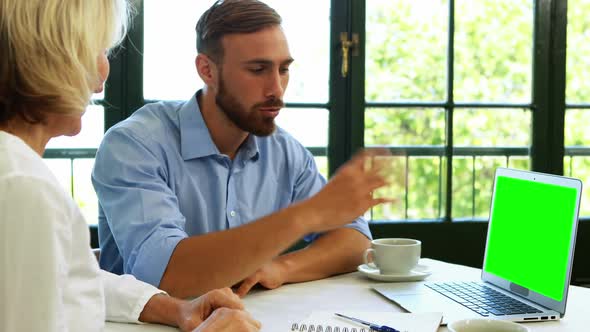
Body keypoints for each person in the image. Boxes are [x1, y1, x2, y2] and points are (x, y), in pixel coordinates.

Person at [92, 0, 391, 299]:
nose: (276, 89)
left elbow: (355, 241)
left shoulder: (286, 152)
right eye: (258, 69)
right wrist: (306, 215)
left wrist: (281, 267)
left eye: (284, 69)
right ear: (207, 70)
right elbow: (168, 276)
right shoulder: (134, 145)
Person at [0, 0, 261, 331]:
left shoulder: (16, 172)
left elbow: (62, 277)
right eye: (98, 49)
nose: (104, 72)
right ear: (52, 57)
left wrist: (176, 309)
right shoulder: (23, 187)